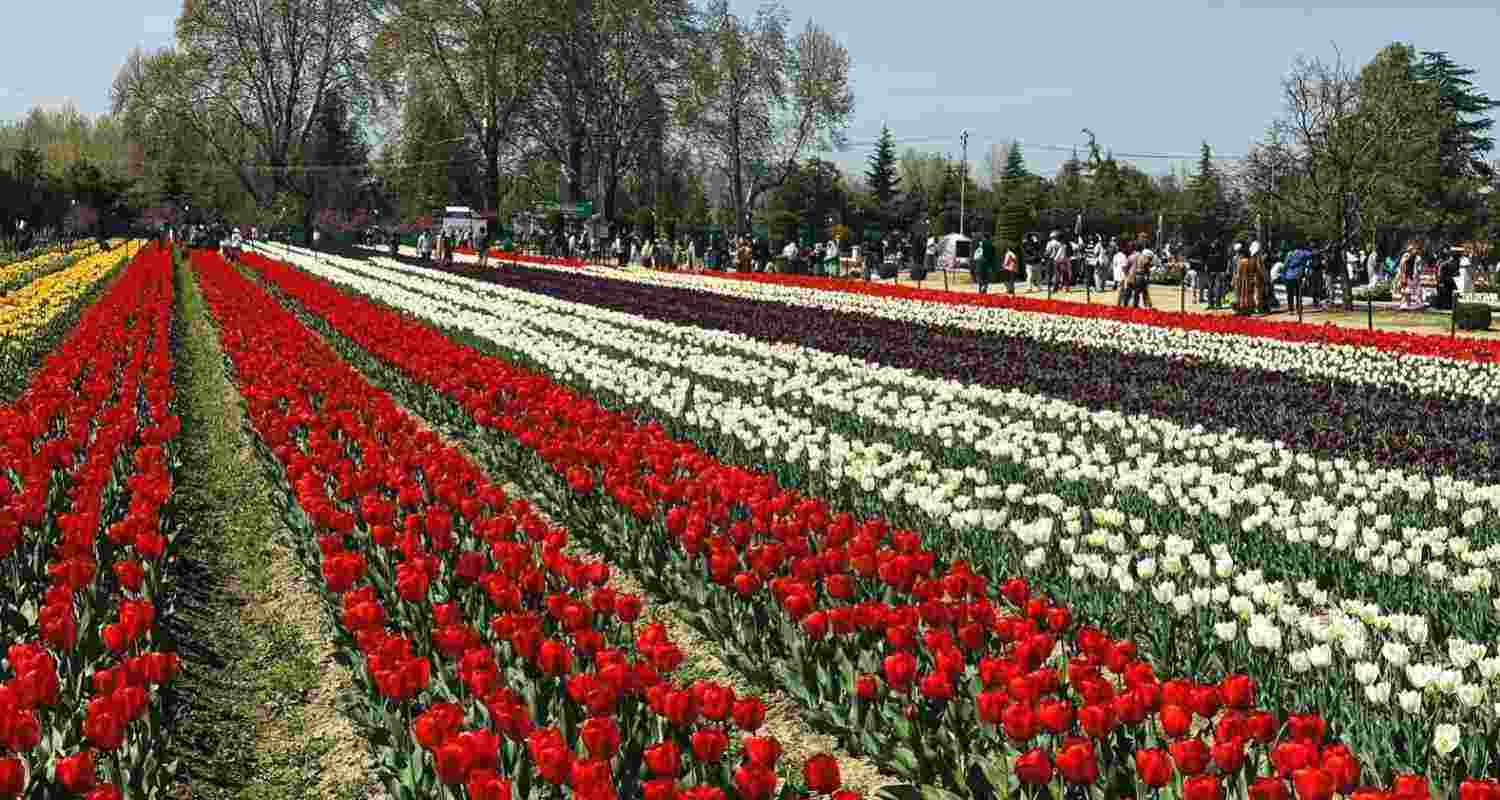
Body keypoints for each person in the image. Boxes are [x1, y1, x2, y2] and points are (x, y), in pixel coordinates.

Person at [1232, 242, 1265, 314]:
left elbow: (1237, 272)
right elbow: (1257, 269)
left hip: (1241, 280)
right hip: (1249, 280)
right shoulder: (1250, 260)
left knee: (1240, 294)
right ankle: (1249, 308)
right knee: (1249, 294)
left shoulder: (1240, 261)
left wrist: (1234, 280)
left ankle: (1241, 308)